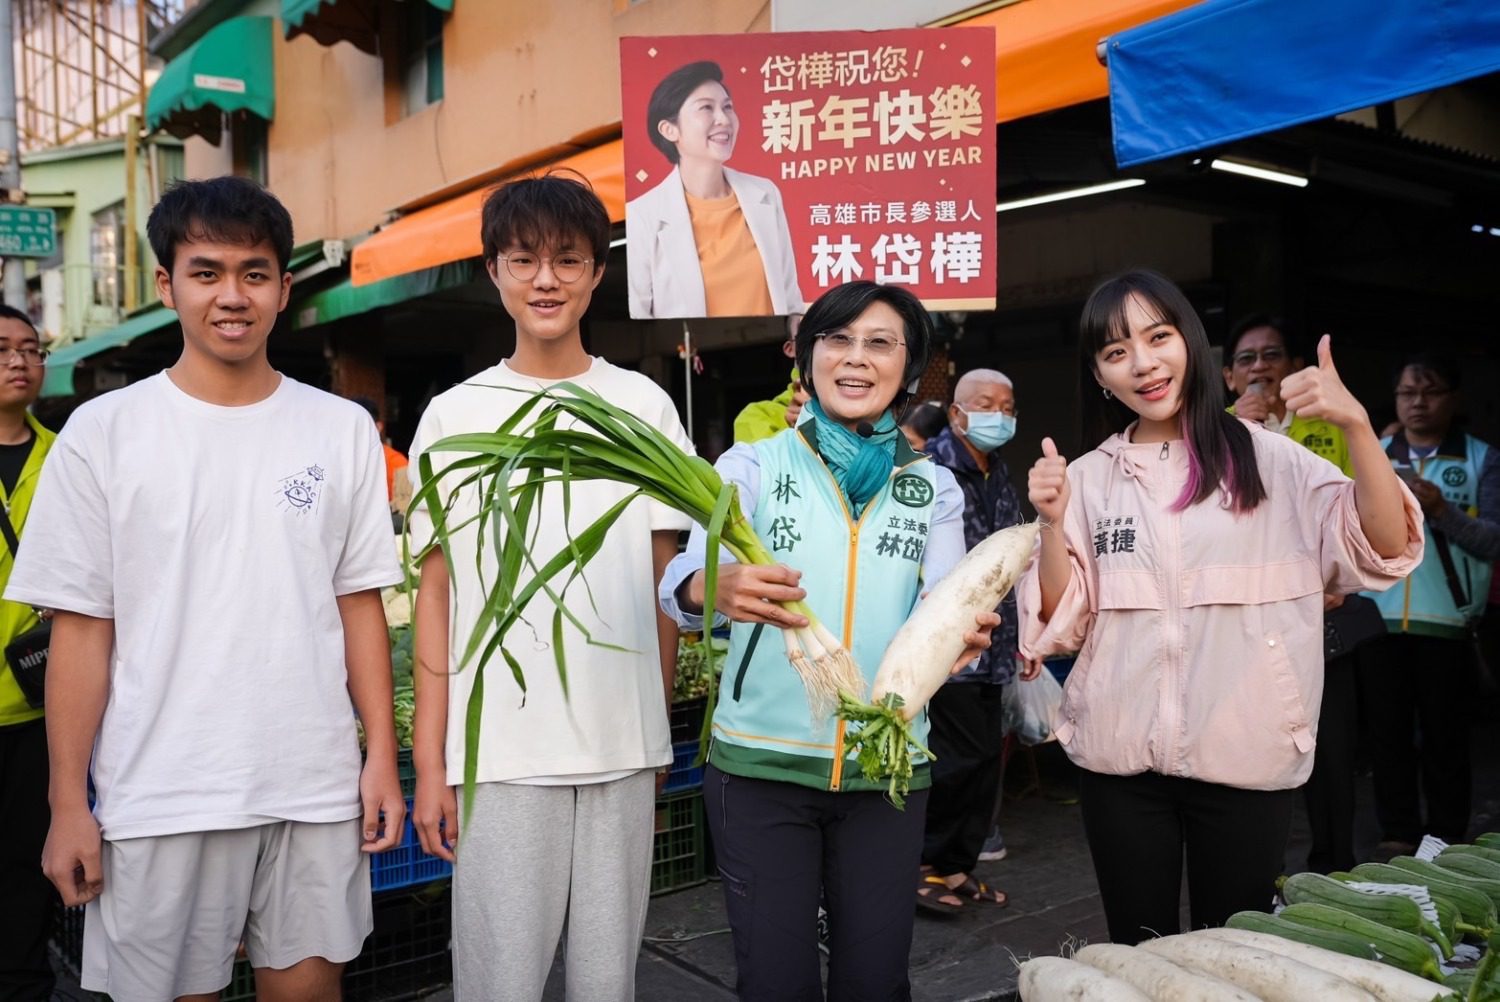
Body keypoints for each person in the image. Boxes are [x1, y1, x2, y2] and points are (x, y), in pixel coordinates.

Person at [4, 176, 406, 1000]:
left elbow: (359, 603)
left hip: (313, 783)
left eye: (255, 273)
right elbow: (83, 631)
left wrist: (381, 759)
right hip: (160, 792)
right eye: (207, 271)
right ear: (167, 284)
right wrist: (66, 804)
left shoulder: (340, 432)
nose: (233, 295)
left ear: (285, 288)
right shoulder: (104, 434)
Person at [1019, 269, 1420, 945]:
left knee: (1234, 950)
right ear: (1099, 374)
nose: (1143, 364)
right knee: (1136, 949)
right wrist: (1053, 524)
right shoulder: (1087, 478)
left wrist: (1354, 422)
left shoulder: (1276, 463)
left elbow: (1383, 547)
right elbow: (1062, 623)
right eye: (1117, 352)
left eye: (1158, 337)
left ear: (1192, 344)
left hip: (1247, 751)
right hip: (1119, 762)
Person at [659, 281, 999, 1000]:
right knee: (775, 982)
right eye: (837, 340)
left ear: (910, 371)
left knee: (874, 983)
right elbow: (687, 574)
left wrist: (963, 635)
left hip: (887, 769)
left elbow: (942, 603)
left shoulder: (930, 488)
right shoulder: (751, 466)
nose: (855, 358)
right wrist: (707, 589)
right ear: (807, 357)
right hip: (761, 770)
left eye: (880, 343)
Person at [406, 173, 691, 1002]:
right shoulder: (455, 415)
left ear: (597, 274)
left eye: (568, 260)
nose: (546, 280)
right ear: (493, 270)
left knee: (609, 982)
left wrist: (657, 730)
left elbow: (664, 580)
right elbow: (436, 593)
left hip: (621, 749)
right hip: (500, 755)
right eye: (524, 259)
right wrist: (432, 766)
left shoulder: (641, 404)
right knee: (500, 983)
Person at [1223, 313, 1361, 873]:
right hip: (1247, 624)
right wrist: (1238, 431)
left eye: (1271, 355)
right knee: (1252, 754)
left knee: (1330, 754)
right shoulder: (1212, 434)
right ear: (1230, 377)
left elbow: (1356, 507)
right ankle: (1263, 875)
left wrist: (1337, 577)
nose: (1259, 368)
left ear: (1295, 367)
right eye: (1246, 359)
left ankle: (1335, 868)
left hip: (1325, 615)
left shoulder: (1326, 425)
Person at [1360, 354, 1499, 854]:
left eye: (1431, 391)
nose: (1418, 402)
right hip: (1379, 619)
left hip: (1446, 623)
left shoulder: (1481, 458)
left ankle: (1446, 839)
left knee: (1445, 738)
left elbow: (1492, 542)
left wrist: (1441, 511)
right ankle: (1396, 834)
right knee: (1387, 736)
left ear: (1454, 399)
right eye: (1407, 393)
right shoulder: (1373, 454)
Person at [916, 369, 1022, 913]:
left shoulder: (998, 470)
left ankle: (957, 866)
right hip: (950, 647)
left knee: (983, 763)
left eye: (1007, 407)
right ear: (956, 412)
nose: (998, 416)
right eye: (986, 405)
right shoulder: (928, 468)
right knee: (951, 761)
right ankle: (923, 866)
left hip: (997, 646)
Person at [628, 60, 803, 319]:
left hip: (772, 356)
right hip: (690, 359)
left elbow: (790, 300)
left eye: (728, 107)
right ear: (669, 129)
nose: (724, 119)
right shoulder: (642, 216)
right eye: (706, 108)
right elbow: (639, 315)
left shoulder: (765, 194)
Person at [0, 305, 56, 1001]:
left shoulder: (70, 453)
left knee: (23, 870)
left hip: (42, 708)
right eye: (2, 348)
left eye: (30, 348)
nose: (18, 360)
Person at [734, 321, 810, 445]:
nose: (818, 342)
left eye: (836, 335)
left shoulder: (851, 406)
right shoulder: (756, 416)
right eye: (807, 331)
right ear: (790, 348)